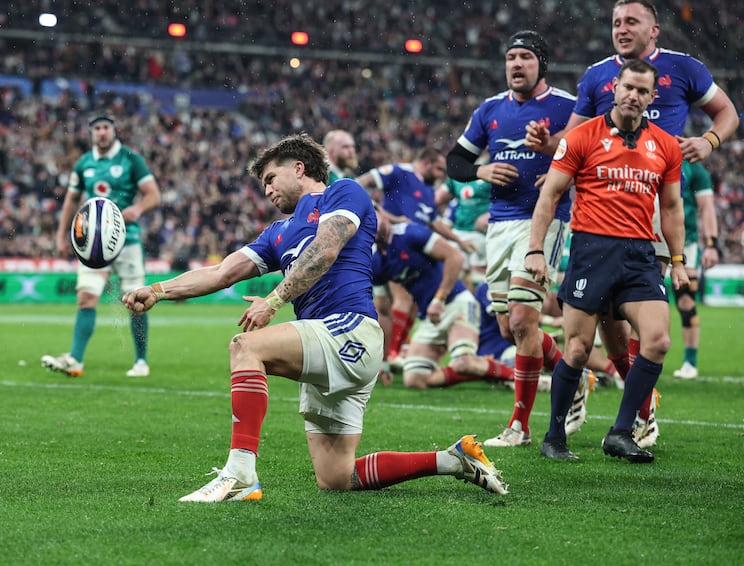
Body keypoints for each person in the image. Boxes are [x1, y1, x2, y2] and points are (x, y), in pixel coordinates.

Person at [121, 133, 508, 502]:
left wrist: (272, 300)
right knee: (337, 477)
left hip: (349, 329)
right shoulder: (277, 232)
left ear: (300, 168)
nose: (267, 190)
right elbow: (222, 272)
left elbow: (326, 250)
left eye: (271, 178)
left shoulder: (344, 193)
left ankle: (239, 473)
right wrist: (158, 291)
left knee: (245, 347)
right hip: (326, 339)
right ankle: (454, 459)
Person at [525, 0, 739, 447]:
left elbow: (727, 114)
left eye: (631, 22)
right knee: (599, 335)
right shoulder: (594, 80)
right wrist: (551, 148)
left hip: (652, 213)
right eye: (616, 22)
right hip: (597, 226)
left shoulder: (685, 70)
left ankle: (633, 419)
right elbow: (571, 145)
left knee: (652, 332)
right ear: (615, 88)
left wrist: (709, 141)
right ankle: (616, 412)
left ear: (654, 30)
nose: (621, 28)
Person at [526, 58, 689, 463]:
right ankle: (554, 435)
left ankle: (620, 432)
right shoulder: (582, 136)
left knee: (658, 340)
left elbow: (671, 208)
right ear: (614, 88)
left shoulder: (666, 146)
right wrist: (535, 249)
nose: (633, 95)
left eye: (642, 91)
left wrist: (680, 259)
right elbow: (550, 196)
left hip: (639, 255)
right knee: (578, 350)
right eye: (627, 87)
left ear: (652, 97)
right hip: (591, 251)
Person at [446, 30, 575, 447]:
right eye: (511, 57)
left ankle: (519, 426)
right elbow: (456, 160)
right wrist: (482, 170)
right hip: (498, 226)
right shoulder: (490, 110)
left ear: (541, 64)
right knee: (509, 329)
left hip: (543, 222)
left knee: (522, 320)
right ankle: (578, 378)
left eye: (525, 57)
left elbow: (592, 152)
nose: (516, 64)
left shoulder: (567, 107)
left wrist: (562, 173)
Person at [41, 115, 161, 378]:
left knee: (136, 301)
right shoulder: (84, 163)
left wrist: (139, 208)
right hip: (92, 243)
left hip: (128, 240)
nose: (102, 132)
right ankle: (75, 360)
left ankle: (141, 361)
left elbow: (153, 194)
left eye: (106, 127)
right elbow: (71, 200)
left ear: (114, 130)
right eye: (97, 128)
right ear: (91, 133)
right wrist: (62, 235)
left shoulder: (131, 159)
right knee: (86, 297)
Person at [356, 147, 472, 368]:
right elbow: (363, 181)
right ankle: (390, 354)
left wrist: (457, 240)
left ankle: (394, 352)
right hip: (391, 245)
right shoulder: (400, 172)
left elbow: (434, 222)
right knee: (402, 300)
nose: (440, 175)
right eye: (439, 169)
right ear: (427, 162)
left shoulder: (428, 192)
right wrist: (372, 208)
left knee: (412, 304)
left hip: (415, 249)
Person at [371, 209, 514, 389]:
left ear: (384, 216)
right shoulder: (374, 261)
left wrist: (439, 299)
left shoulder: (410, 233)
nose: (373, 225)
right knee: (414, 380)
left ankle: (519, 378)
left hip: (456, 302)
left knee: (464, 362)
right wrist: (383, 360)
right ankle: (489, 370)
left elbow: (455, 257)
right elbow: (383, 312)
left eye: (373, 218)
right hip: (429, 316)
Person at [672, 160, 721, 379]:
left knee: (686, 301)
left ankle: (690, 362)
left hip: (686, 244)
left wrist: (711, 245)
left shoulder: (694, 169)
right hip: (649, 240)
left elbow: (707, 206)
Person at [435, 165, 492, 292]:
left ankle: (480, 306)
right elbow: (437, 199)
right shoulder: (456, 177)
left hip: (481, 234)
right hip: (458, 234)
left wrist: (492, 213)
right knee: (455, 274)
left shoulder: (492, 167)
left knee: (479, 279)